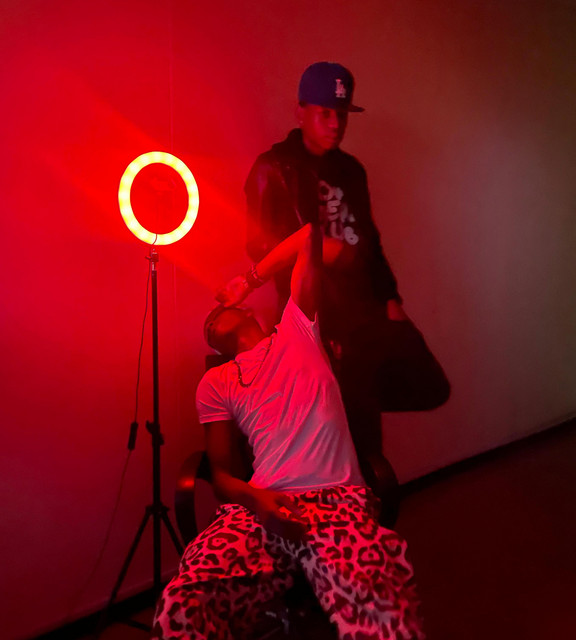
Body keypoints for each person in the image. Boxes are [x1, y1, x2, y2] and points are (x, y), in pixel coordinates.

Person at [151, 224, 424, 640]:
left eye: (220, 313)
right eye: (209, 324)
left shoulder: (297, 331)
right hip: (259, 509)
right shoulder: (215, 382)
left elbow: (309, 235)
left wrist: (247, 281)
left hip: (337, 503)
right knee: (181, 606)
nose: (213, 320)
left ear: (248, 313)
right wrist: (256, 500)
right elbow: (221, 476)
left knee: (383, 618)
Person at [234, 61, 449, 457]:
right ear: (300, 112)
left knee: (423, 387)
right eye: (325, 114)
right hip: (315, 315)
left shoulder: (351, 170)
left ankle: (365, 484)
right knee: (339, 432)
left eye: (342, 115)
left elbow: (369, 241)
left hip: (365, 312)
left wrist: (390, 297)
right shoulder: (273, 168)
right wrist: (316, 250)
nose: (335, 124)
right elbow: (259, 247)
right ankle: (352, 487)